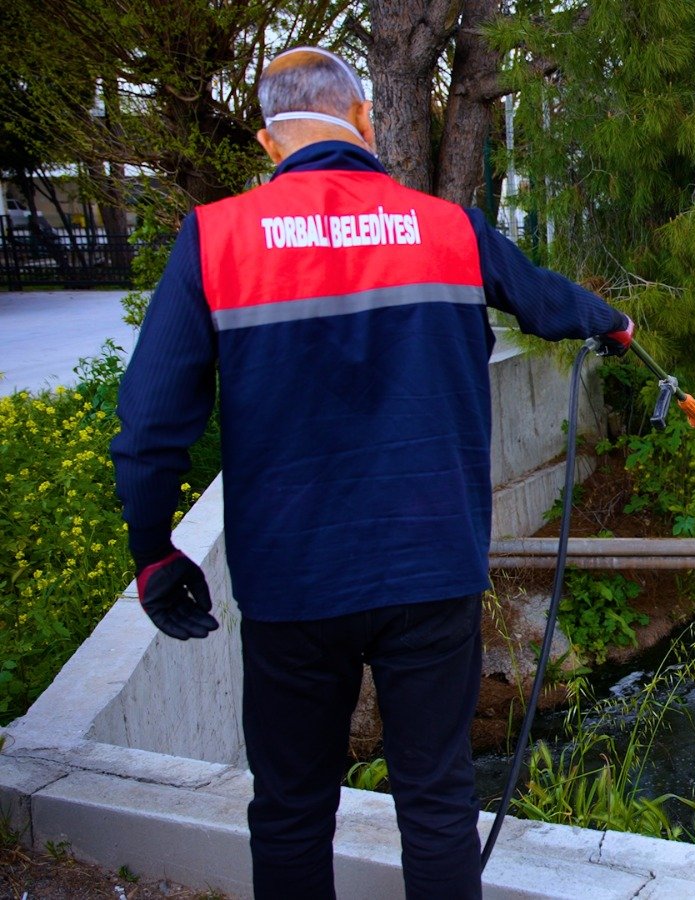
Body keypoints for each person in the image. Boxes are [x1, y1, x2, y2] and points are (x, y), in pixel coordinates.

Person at [111, 45, 633, 899]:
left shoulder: (217, 237)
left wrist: (153, 551)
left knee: (290, 808)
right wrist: (612, 323)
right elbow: (543, 297)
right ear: (365, 121)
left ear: (268, 142)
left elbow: (149, 424)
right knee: (435, 802)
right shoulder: (448, 229)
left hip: (293, 585)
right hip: (431, 572)